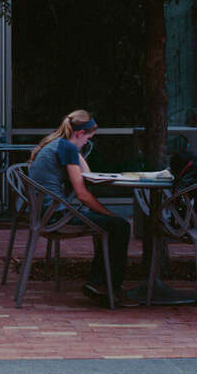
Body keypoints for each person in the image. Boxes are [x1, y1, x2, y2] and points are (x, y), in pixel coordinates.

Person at [28, 109, 129, 303]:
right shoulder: (67, 148)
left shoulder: (59, 144)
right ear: (80, 133)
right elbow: (83, 194)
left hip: (44, 213)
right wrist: (110, 214)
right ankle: (106, 287)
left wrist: (77, 150)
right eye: (88, 138)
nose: (87, 143)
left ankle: (101, 282)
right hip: (56, 217)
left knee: (108, 224)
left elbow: (86, 173)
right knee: (120, 225)